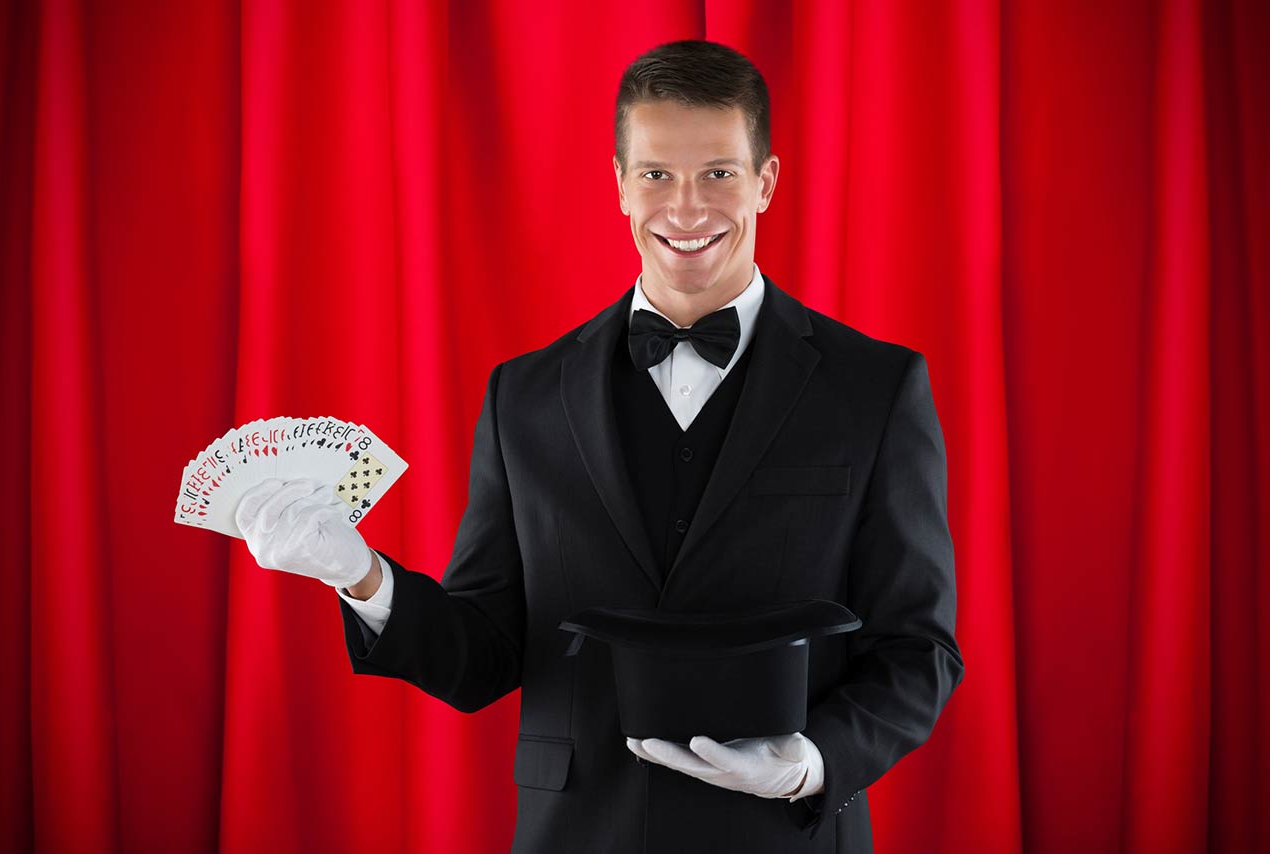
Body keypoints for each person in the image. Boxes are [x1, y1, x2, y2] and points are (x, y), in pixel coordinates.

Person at [235, 39, 964, 854]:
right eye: (656, 174)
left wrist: (812, 762)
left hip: (785, 837)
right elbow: (484, 654)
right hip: (577, 833)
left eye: (718, 173)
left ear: (766, 181)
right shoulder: (524, 395)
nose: (686, 208)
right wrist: (363, 576)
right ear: (619, 184)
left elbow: (919, 649)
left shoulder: (876, 387)